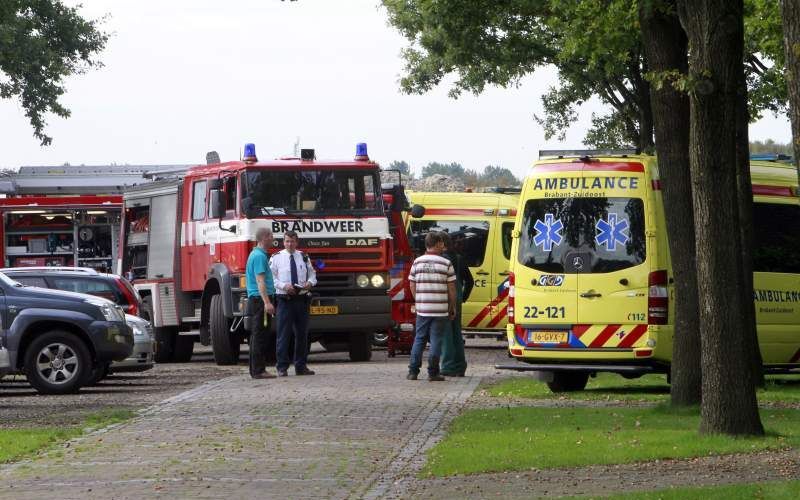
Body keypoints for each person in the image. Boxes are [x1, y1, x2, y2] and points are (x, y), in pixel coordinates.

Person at [407, 231, 456, 382]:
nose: (443, 245)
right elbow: (452, 289)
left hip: (423, 309)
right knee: (436, 340)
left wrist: (419, 300)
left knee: (419, 339)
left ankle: (413, 371)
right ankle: (433, 373)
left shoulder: (417, 262)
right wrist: (452, 307)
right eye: (441, 243)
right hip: (440, 310)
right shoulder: (446, 263)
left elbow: (412, 284)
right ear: (437, 244)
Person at [270, 230, 317, 376]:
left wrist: (309, 283)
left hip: (301, 299)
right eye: (287, 241)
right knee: (283, 334)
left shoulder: (303, 256)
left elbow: (313, 274)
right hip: (285, 300)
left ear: (297, 242)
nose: (290, 244)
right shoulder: (276, 258)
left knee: (302, 335)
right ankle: (282, 367)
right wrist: (285, 286)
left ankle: (301, 366)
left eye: (292, 241)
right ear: (283, 242)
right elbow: (271, 279)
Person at [440, 232, 474, 377]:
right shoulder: (459, 259)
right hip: (458, 298)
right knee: (456, 333)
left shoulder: (442, 260)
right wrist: (463, 297)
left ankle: (448, 366)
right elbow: (470, 282)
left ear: (441, 243)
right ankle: (460, 365)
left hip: (447, 298)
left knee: (446, 334)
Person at [245, 227, 277, 379]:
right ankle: (258, 370)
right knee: (260, 336)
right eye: (271, 236)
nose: (273, 238)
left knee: (258, 335)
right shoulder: (259, 257)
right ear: (264, 237)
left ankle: (256, 369)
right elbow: (260, 281)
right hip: (259, 300)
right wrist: (267, 302)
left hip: (258, 299)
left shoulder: (258, 255)